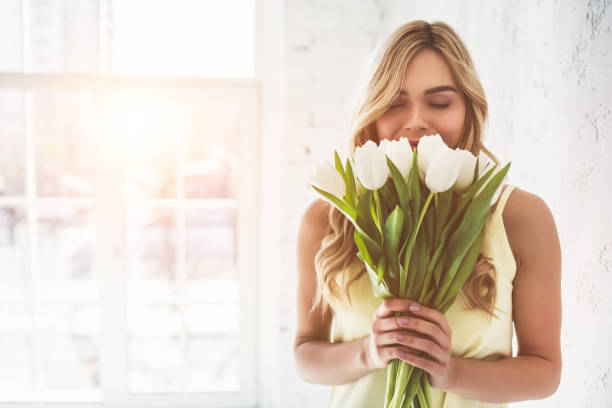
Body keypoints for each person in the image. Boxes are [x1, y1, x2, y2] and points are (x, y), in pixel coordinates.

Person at [293, 20, 562, 407]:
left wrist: (451, 372)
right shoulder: (328, 218)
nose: (416, 120)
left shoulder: (520, 217)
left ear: (469, 109)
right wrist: (368, 352)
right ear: (371, 112)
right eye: (394, 102)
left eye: (439, 102)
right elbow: (305, 355)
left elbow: (545, 372)